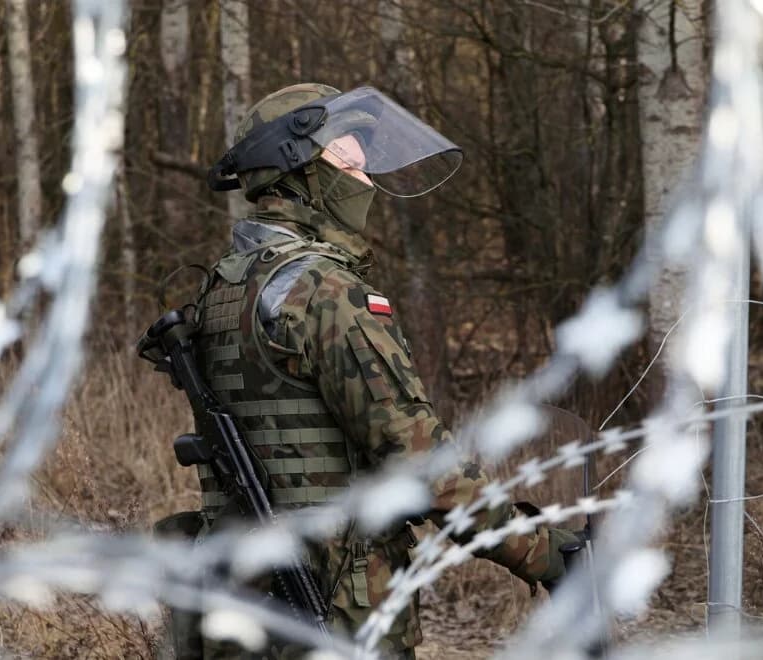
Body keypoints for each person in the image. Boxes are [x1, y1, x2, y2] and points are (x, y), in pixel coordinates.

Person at [154, 83, 579, 659]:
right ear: (301, 169)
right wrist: (547, 554)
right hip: (331, 606)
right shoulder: (325, 292)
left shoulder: (221, 290)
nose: (366, 178)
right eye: (349, 158)